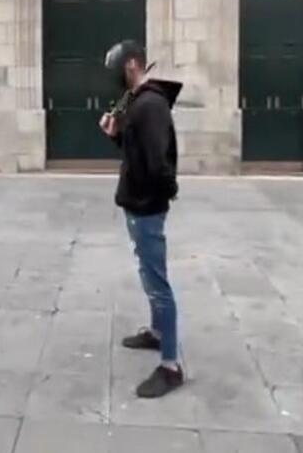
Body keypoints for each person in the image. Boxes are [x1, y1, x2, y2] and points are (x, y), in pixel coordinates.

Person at [99, 40, 185, 398]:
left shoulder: (150, 105)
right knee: (147, 273)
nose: (114, 78)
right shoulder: (138, 102)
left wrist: (165, 191)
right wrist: (117, 135)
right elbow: (137, 151)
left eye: (117, 69)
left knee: (157, 280)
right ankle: (157, 332)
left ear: (133, 64)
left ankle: (171, 366)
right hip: (138, 202)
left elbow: (157, 161)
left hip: (147, 205)